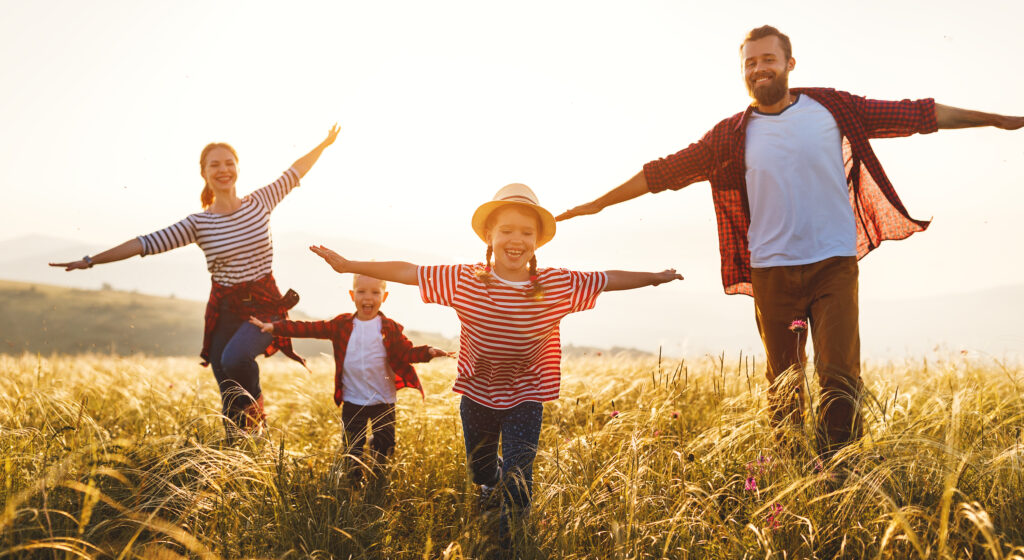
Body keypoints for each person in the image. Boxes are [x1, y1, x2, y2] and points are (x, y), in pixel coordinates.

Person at [556, 25, 1024, 460]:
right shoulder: (729, 136)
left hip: (833, 266)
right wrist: (596, 205)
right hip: (772, 272)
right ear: (743, 72)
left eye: (768, 60)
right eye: (750, 64)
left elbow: (918, 114)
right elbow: (662, 173)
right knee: (783, 382)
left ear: (789, 63)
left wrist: (996, 120)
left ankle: (838, 467)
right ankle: (790, 467)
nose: (759, 69)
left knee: (839, 374)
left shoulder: (833, 108)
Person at [305, 182, 682, 542]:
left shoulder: (555, 284)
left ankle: (510, 541)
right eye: (506, 231)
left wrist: (653, 278)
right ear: (489, 237)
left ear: (537, 241)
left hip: (526, 395)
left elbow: (606, 278)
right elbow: (408, 271)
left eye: (526, 233)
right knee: (481, 470)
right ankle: (490, 482)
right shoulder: (466, 280)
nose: (516, 240)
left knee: (520, 477)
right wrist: (348, 264)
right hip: (477, 395)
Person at [50, 125, 341, 438]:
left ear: (238, 168)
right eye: (214, 164)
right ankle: (236, 448)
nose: (223, 169)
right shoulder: (199, 224)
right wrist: (92, 260)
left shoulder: (261, 201)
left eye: (228, 162)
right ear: (203, 173)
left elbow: (295, 171)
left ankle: (258, 419)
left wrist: (323, 145)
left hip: (265, 303)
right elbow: (144, 243)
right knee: (226, 381)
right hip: (226, 310)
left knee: (236, 358)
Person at [248, 274, 449, 480]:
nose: (367, 297)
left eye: (374, 292)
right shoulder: (342, 324)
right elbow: (308, 328)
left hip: (383, 400)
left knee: (385, 447)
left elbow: (406, 353)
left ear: (384, 296)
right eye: (361, 291)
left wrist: (428, 351)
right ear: (353, 295)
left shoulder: (389, 328)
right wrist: (275, 327)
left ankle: (377, 481)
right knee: (352, 449)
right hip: (353, 400)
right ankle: (354, 484)